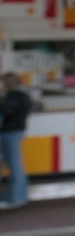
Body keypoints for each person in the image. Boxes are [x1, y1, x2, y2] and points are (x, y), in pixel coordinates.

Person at [0, 72, 32, 210]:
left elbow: (6, 111)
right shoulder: (21, 96)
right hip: (13, 131)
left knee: (14, 164)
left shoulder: (14, 97)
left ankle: (16, 197)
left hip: (10, 132)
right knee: (14, 164)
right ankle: (17, 196)